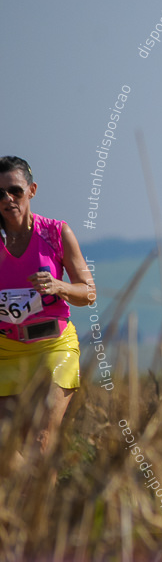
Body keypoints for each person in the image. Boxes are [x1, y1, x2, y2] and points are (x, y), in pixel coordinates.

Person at [0, 156, 95, 467]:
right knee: (6, 446)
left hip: (54, 346)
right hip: (6, 350)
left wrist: (58, 286)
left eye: (14, 190)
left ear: (32, 190)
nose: (7, 199)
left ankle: (43, 512)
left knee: (40, 443)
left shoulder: (55, 233)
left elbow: (88, 292)